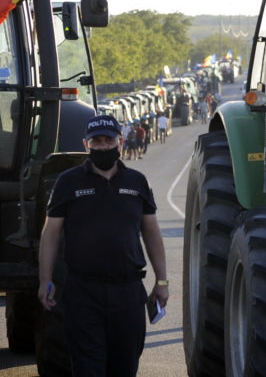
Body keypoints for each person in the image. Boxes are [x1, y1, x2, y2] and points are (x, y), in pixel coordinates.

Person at [37, 114, 168, 377]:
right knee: (87, 368)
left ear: (119, 142)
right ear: (86, 144)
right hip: (83, 292)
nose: (103, 146)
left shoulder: (137, 182)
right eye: (96, 141)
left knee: (125, 367)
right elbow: (50, 234)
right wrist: (45, 280)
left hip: (128, 292)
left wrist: (162, 281)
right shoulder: (68, 182)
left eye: (108, 140)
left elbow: (151, 232)